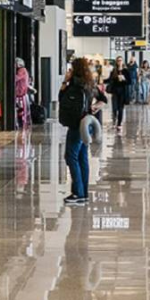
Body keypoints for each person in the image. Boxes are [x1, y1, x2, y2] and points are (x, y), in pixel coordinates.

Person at [60, 58, 107, 205]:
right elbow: (104, 99)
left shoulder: (74, 84)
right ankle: (83, 193)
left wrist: (64, 82)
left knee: (71, 156)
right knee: (82, 158)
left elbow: (61, 99)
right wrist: (94, 107)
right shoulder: (90, 83)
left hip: (76, 125)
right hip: (86, 123)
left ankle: (78, 193)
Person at [105, 56, 131, 132]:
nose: (119, 62)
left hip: (122, 91)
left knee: (120, 108)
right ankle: (115, 119)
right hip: (115, 91)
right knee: (114, 108)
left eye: (120, 60)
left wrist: (124, 79)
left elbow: (129, 82)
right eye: (118, 61)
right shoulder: (114, 71)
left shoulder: (126, 71)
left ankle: (119, 123)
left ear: (123, 62)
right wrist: (102, 80)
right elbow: (109, 80)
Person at [14, 57, 31, 130]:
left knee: (20, 110)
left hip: (20, 93)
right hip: (22, 93)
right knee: (22, 110)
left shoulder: (22, 70)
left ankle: (20, 124)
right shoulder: (24, 70)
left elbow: (16, 78)